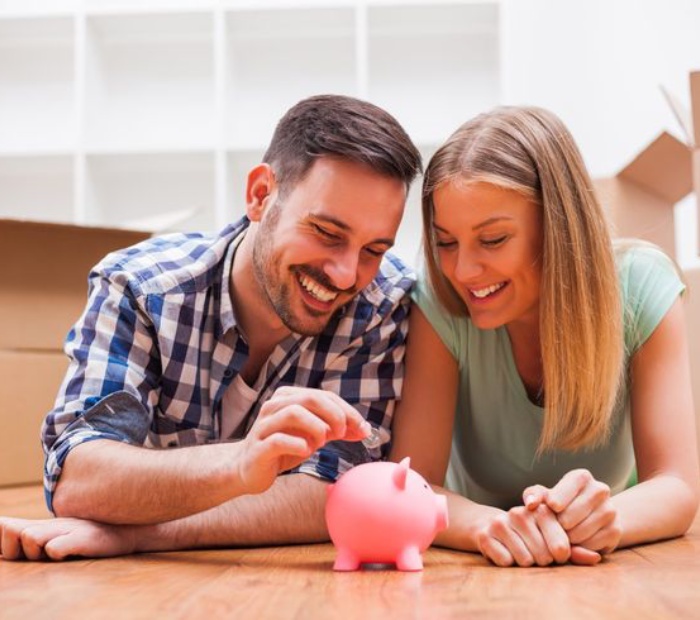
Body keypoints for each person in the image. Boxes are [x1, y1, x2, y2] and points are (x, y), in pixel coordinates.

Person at [0, 94, 422, 561]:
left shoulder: (382, 306)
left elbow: (338, 493)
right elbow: (77, 479)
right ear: (261, 195)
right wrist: (238, 465)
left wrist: (136, 534)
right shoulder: (142, 288)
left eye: (373, 250)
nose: (346, 275)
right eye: (326, 233)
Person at [390, 106, 700, 567]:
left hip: (601, 564)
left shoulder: (641, 286)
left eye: (492, 240)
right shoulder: (438, 303)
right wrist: (487, 526)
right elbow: (410, 485)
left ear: (558, 227)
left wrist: (606, 517)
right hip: (478, 564)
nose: (463, 271)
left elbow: (678, 484)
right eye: (446, 242)